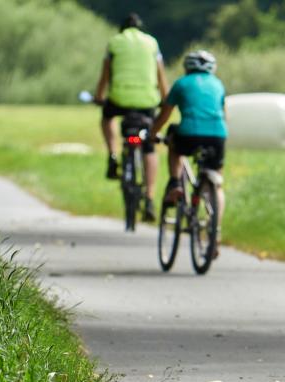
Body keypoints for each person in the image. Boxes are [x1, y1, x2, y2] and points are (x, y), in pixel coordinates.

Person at [147, 50, 228, 253]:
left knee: (173, 140)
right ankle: (215, 231)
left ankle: (175, 182)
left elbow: (165, 114)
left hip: (189, 133)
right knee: (216, 185)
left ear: (187, 67)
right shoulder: (218, 84)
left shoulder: (181, 84)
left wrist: (152, 133)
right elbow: (224, 115)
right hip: (217, 135)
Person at [94, 13, 168, 221]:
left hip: (119, 99)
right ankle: (151, 197)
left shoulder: (115, 42)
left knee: (106, 117)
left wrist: (99, 96)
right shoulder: (152, 43)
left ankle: (113, 154)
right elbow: (161, 75)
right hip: (147, 101)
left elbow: (105, 74)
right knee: (149, 145)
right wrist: (164, 99)